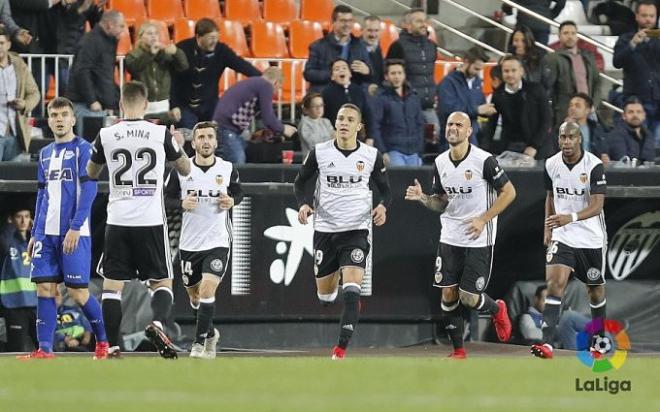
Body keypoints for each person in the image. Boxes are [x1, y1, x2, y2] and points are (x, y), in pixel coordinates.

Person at [86, 81, 191, 359]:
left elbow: (91, 172)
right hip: (151, 220)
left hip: (118, 219)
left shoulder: (106, 134)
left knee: (111, 287)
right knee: (162, 282)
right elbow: (185, 168)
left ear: (121, 104)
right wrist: (177, 146)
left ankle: (113, 345)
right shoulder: (159, 133)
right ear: (145, 104)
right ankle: (157, 323)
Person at [405, 111, 516, 359]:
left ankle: (497, 308)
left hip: (478, 237)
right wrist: (423, 198)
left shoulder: (484, 160)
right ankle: (458, 351)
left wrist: (483, 219)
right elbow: (441, 202)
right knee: (448, 293)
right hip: (450, 236)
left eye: (459, 124)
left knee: (468, 297)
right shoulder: (441, 162)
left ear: (468, 131)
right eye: (449, 124)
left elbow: (509, 193)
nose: (453, 128)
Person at [294, 104, 392, 359]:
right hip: (325, 230)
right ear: (334, 123)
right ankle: (340, 277)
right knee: (325, 295)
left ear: (359, 126)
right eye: (340, 118)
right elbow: (301, 181)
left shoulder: (371, 155)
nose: (344, 123)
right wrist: (304, 203)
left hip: (356, 230)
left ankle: (340, 349)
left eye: (350, 119)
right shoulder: (320, 152)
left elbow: (386, 190)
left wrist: (382, 206)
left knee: (352, 289)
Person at [17, 97, 108, 360]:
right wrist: (35, 233)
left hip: (74, 233)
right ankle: (45, 349)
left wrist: (76, 227)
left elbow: (89, 190)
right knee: (44, 288)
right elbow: (42, 195)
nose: (58, 119)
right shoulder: (45, 154)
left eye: (63, 115)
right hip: (46, 234)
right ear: (49, 120)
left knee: (79, 293)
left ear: (73, 118)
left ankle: (103, 342)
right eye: (54, 115)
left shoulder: (83, 149)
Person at [164, 121, 243, 359]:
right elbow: (165, 199)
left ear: (216, 142)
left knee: (208, 290)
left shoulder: (227, 168)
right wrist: (180, 204)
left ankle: (198, 345)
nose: (206, 141)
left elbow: (239, 191)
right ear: (193, 142)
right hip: (190, 243)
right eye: (201, 137)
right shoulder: (181, 170)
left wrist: (232, 201)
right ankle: (209, 334)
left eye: (210, 137)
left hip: (217, 241)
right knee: (195, 297)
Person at [531, 121, 608, 359]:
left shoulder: (593, 165)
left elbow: (597, 205)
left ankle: (598, 339)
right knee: (555, 284)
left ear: (579, 139)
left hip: (590, 236)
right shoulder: (551, 164)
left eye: (570, 137)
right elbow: (550, 196)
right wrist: (549, 226)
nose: (566, 142)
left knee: (594, 290)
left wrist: (571, 217)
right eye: (562, 137)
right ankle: (547, 344)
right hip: (563, 234)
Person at [172, 18, 261, 129]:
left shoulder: (221, 50)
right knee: (188, 139)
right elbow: (172, 80)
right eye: (211, 38)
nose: (215, 41)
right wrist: (173, 105)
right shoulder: (182, 48)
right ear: (198, 37)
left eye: (217, 37)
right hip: (184, 105)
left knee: (211, 136)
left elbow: (241, 65)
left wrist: (263, 78)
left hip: (209, 104)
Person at [212, 67, 297, 164]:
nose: (276, 92)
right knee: (238, 162)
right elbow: (268, 118)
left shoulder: (254, 83)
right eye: (278, 88)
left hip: (224, 128)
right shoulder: (265, 85)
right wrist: (283, 129)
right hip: (227, 129)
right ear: (276, 83)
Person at [65, 10, 125, 139]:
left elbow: (105, 74)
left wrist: (113, 101)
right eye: (121, 26)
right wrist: (92, 100)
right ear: (110, 25)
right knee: (90, 147)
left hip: (99, 106)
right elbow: (82, 71)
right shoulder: (90, 41)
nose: (123, 30)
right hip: (86, 106)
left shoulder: (109, 41)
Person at [386, 8, 440, 141]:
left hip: (428, 106)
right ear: (408, 25)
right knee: (412, 143)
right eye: (419, 21)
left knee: (435, 138)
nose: (423, 24)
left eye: (425, 21)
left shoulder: (432, 46)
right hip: (407, 106)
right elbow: (389, 76)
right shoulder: (397, 46)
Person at [485, 55, 552, 158]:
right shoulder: (498, 94)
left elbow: (546, 120)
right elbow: (492, 123)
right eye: (506, 71)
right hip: (509, 147)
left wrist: (534, 146)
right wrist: (485, 149)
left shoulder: (536, 89)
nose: (510, 74)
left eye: (513, 70)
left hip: (536, 148)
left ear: (521, 71)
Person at [613, 0, 660, 144]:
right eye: (644, 15)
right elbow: (617, 63)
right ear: (637, 16)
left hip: (658, 100)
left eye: (652, 16)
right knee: (638, 144)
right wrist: (632, 44)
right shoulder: (625, 38)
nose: (648, 19)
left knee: (657, 145)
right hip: (636, 102)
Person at [125, 21, 189, 125]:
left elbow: (183, 66)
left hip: (163, 103)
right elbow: (134, 68)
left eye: (156, 33)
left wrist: (177, 53)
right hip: (143, 102)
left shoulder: (164, 54)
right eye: (149, 33)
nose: (153, 36)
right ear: (140, 37)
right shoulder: (133, 55)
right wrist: (150, 54)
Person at [541, 21, 601, 127]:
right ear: (559, 36)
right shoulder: (552, 58)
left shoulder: (588, 57)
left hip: (588, 111)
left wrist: (594, 105)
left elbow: (597, 82)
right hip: (565, 112)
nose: (570, 36)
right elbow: (548, 87)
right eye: (566, 33)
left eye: (573, 33)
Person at [437, 47, 496, 149]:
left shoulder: (476, 82)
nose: (478, 73)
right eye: (476, 69)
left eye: (480, 69)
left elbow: (480, 104)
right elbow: (449, 109)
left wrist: (486, 111)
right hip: (452, 140)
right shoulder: (448, 83)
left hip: (472, 139)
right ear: (466, 62)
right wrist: (477, 110)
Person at [303, 5, 372, 92]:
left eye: (350, 21)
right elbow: (308, 74)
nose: (347, 24)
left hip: (352, 94)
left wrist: (367, 71)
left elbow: (370, 72)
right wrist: (332, 74)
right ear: (333, 22)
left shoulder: (360, 45)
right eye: (343, 21)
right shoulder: (318, 46)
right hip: (326, 93)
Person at [370, 59, 424, 166]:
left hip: (414, 152)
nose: (396, 76)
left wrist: (420, 149)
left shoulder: (414, 97)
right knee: (399, 182)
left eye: (400, 73)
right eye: (393, 73)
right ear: (386, 76)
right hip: (393, 151)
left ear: (404, 75)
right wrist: (383, 151)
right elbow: (375, 127)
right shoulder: (380, 98)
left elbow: (419, 124)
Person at [0, 26, 40, 162]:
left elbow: (34, 93)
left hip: (16, 135)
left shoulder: (19, 64)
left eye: (1, 43)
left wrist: (24, 104)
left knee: (14, 180)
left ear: (9, 44)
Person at [0, 208, 37, 352]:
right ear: (11, 219)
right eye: (19, 217)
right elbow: (3, 247)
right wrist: (9, 226)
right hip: (14, 304)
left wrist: (36, 229)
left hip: (36, 303)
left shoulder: (34, 244)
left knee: (46, 347)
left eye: (27, 217)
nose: (23, 221)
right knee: (17, 348)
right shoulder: (8, 242)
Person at [519, 284, 591, 350]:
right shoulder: (527, 317)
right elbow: (531, 335)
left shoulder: (556, 316)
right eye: (545, 300)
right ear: (536, 299)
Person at [321, 59, 371, 138]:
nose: (341, 70)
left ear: (350, 73)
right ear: (332, 77)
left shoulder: (359, 90)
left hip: (358, 136)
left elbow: (368, 115)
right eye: (337, 69)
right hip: (336, 136)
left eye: (344, 68)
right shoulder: (326, 93)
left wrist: (370, 137)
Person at [564, 93, 610, 163]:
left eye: (577, 106)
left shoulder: (596, 128)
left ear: (587, 110)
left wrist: (603, 157)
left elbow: (603, 150)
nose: (572, 108)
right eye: (571, 105)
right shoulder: (560, 129)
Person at [607, 97, 656, 162]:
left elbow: (650, 159)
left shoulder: (648, 135)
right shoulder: (616, 135)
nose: (635, 115)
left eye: (639, 112)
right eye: (630, 112)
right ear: (623, 116)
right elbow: (623, 161)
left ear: (644, 115)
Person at [502, 0, 566, 46]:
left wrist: (509, 12)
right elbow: (561, 3)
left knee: (518, 51)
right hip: (542, 24)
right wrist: (550, 15)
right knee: (540, 54)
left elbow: (507, 3)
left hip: (524, 24)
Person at [361, 15, 384, 89]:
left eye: (376, 30)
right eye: (369, 30)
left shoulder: (379, 48)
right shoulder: (353, 48)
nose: (373, 35)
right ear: (362, 30)